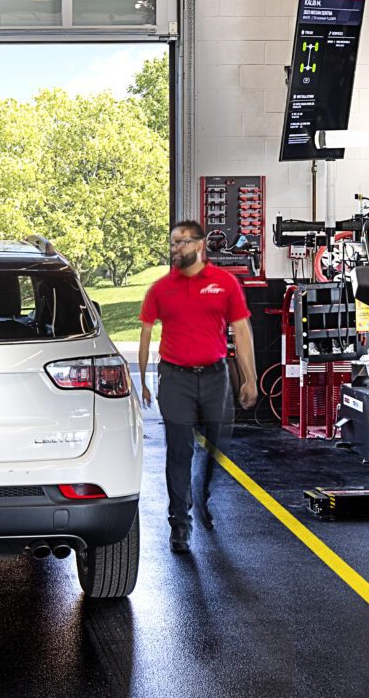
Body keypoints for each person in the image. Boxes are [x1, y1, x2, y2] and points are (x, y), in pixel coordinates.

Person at [136, 219, 257, 554]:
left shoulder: (224, 283)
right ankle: (180, 522)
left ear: (200, 245)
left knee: (217, 443)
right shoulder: (160, 289)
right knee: (179, 450)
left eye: (184, 242)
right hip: (175, 378)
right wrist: (145, 378)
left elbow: (241, 331)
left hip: (216, 376)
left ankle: (201, 495)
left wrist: (249, 377)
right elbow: (146, 332)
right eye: (174, 243)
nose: (177, 248)